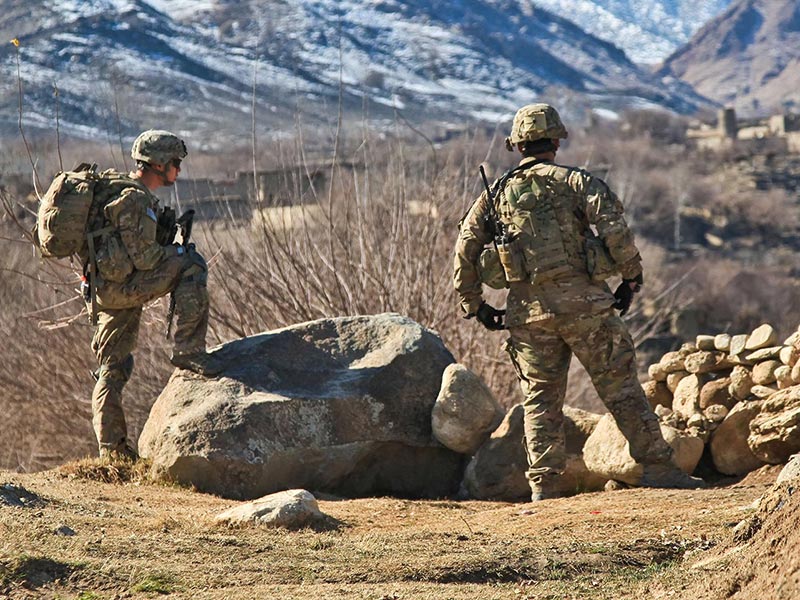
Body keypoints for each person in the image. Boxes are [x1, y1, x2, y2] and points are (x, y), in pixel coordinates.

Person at [453, 104, 704, 500]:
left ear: (517, 146)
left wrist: (476, 304)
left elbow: (466, 248)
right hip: (588, 309)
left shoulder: (496, 193)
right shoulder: (576, 182)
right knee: (621, 388)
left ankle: (545, 486)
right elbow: (614, 227)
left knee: (540, 400)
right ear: (556, 140)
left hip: (529, 316)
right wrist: (631, 277)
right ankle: (659, 468)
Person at [86, 130, 222, 460]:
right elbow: (145, 258)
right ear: (159, 165)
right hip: (122, 288)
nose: (179, 170)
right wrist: (173, 249)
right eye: (176, 163)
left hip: (105, 289)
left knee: (113, 367)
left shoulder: (116, 190)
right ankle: (188, 350)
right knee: (192, 264)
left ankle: (113, 452)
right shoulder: (134, 199)